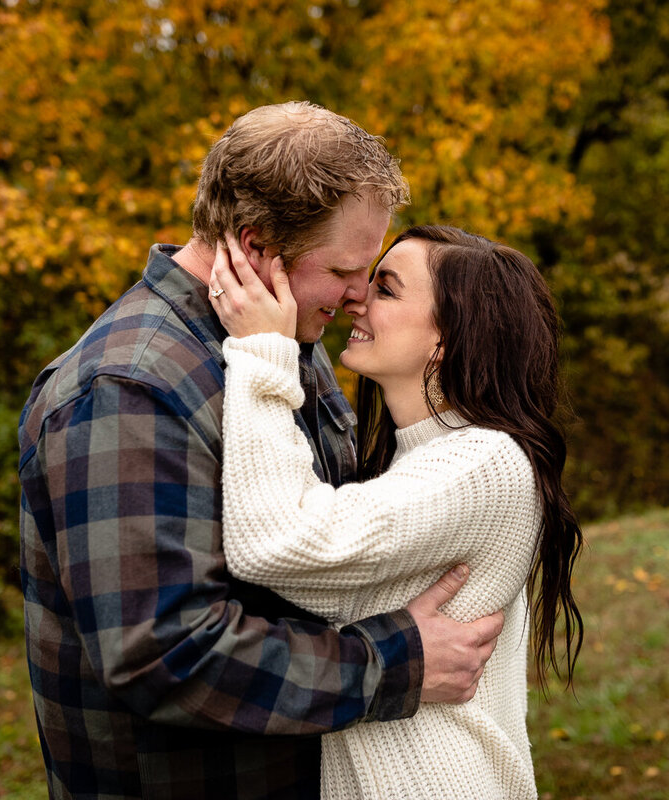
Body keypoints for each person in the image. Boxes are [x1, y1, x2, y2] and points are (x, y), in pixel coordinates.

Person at [18, 103, 505, 800]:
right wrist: (397, 665)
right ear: (254, 246)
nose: (360, 294)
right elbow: (166, 653)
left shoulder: (281, 340)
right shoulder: (128, 389)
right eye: (344, 268)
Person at [209, 225, 585, 800]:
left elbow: (276, 540)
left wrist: (263, 351)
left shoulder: (483, 463)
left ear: (445, 340)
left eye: (385, 289)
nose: (356, 294)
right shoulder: (427, 460)